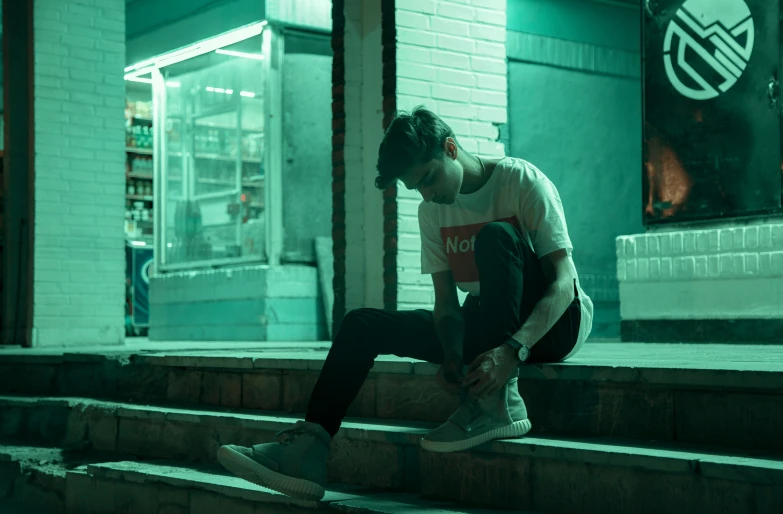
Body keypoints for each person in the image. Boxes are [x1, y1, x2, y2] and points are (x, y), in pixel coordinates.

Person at [216, 106, 594, 501]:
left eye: (429, 178)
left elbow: (564, 282)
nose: (429, 194)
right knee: (362, 323)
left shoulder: (520, 180)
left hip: (553, 325)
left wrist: (512, 352)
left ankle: (498, 404)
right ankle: (308, 450)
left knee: (495, 236)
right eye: (418, 188)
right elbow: (446, 304)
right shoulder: (432, 212)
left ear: (450, 148)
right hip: (491, 323)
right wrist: (451, 355)